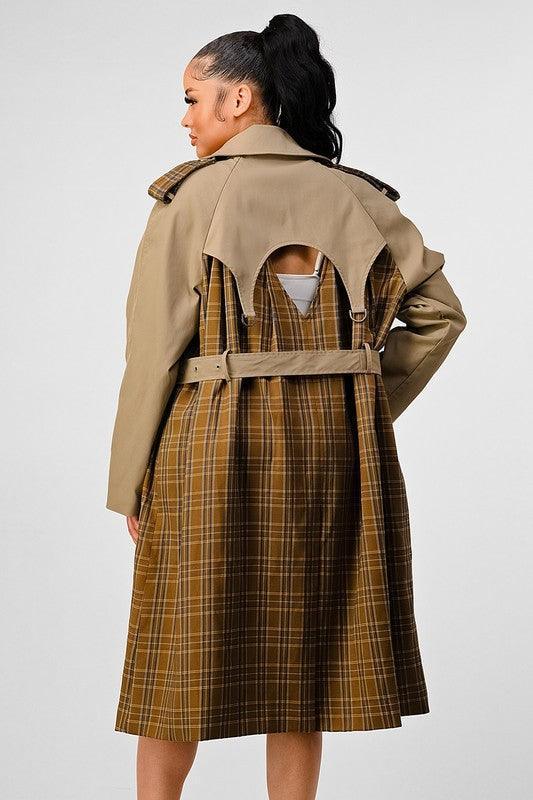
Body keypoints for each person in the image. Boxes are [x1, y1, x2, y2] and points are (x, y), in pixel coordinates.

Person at [106, 13, 467, 800]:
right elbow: (440, 317)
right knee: (305, 651)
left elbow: (153, 352)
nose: (185, 117)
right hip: (335, 452)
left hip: (206, 447)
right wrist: (361, 403)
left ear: (239, 98)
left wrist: (128, 479)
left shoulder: (189, 198)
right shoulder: (357, 196)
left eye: (193, 97)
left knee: (178, 650)